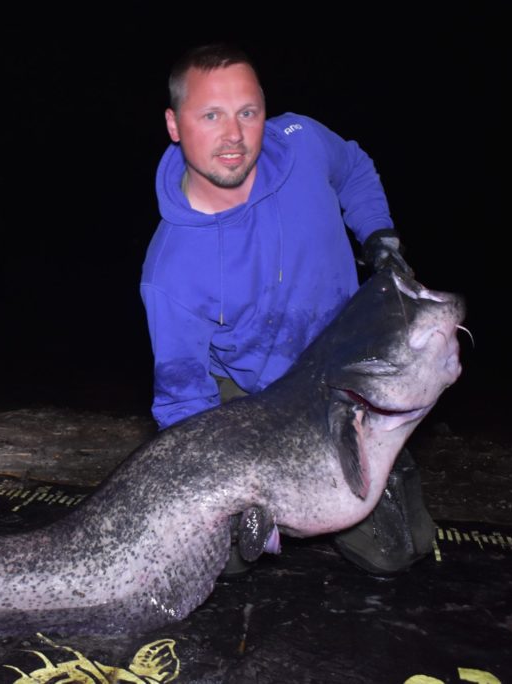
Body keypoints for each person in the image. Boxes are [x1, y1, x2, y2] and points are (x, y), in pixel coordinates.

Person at [140, 42, 430, 575]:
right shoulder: (170, 270)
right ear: (175, 124)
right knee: (215, 559)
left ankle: (375, 478)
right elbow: (182, 398)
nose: (234, 136)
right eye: (211, 115)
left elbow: (356, 168)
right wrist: (226, 479)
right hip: (247, 396)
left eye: (248, 112)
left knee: (398, 554)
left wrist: (380, 236)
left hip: (339, 374)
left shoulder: (303, 144)